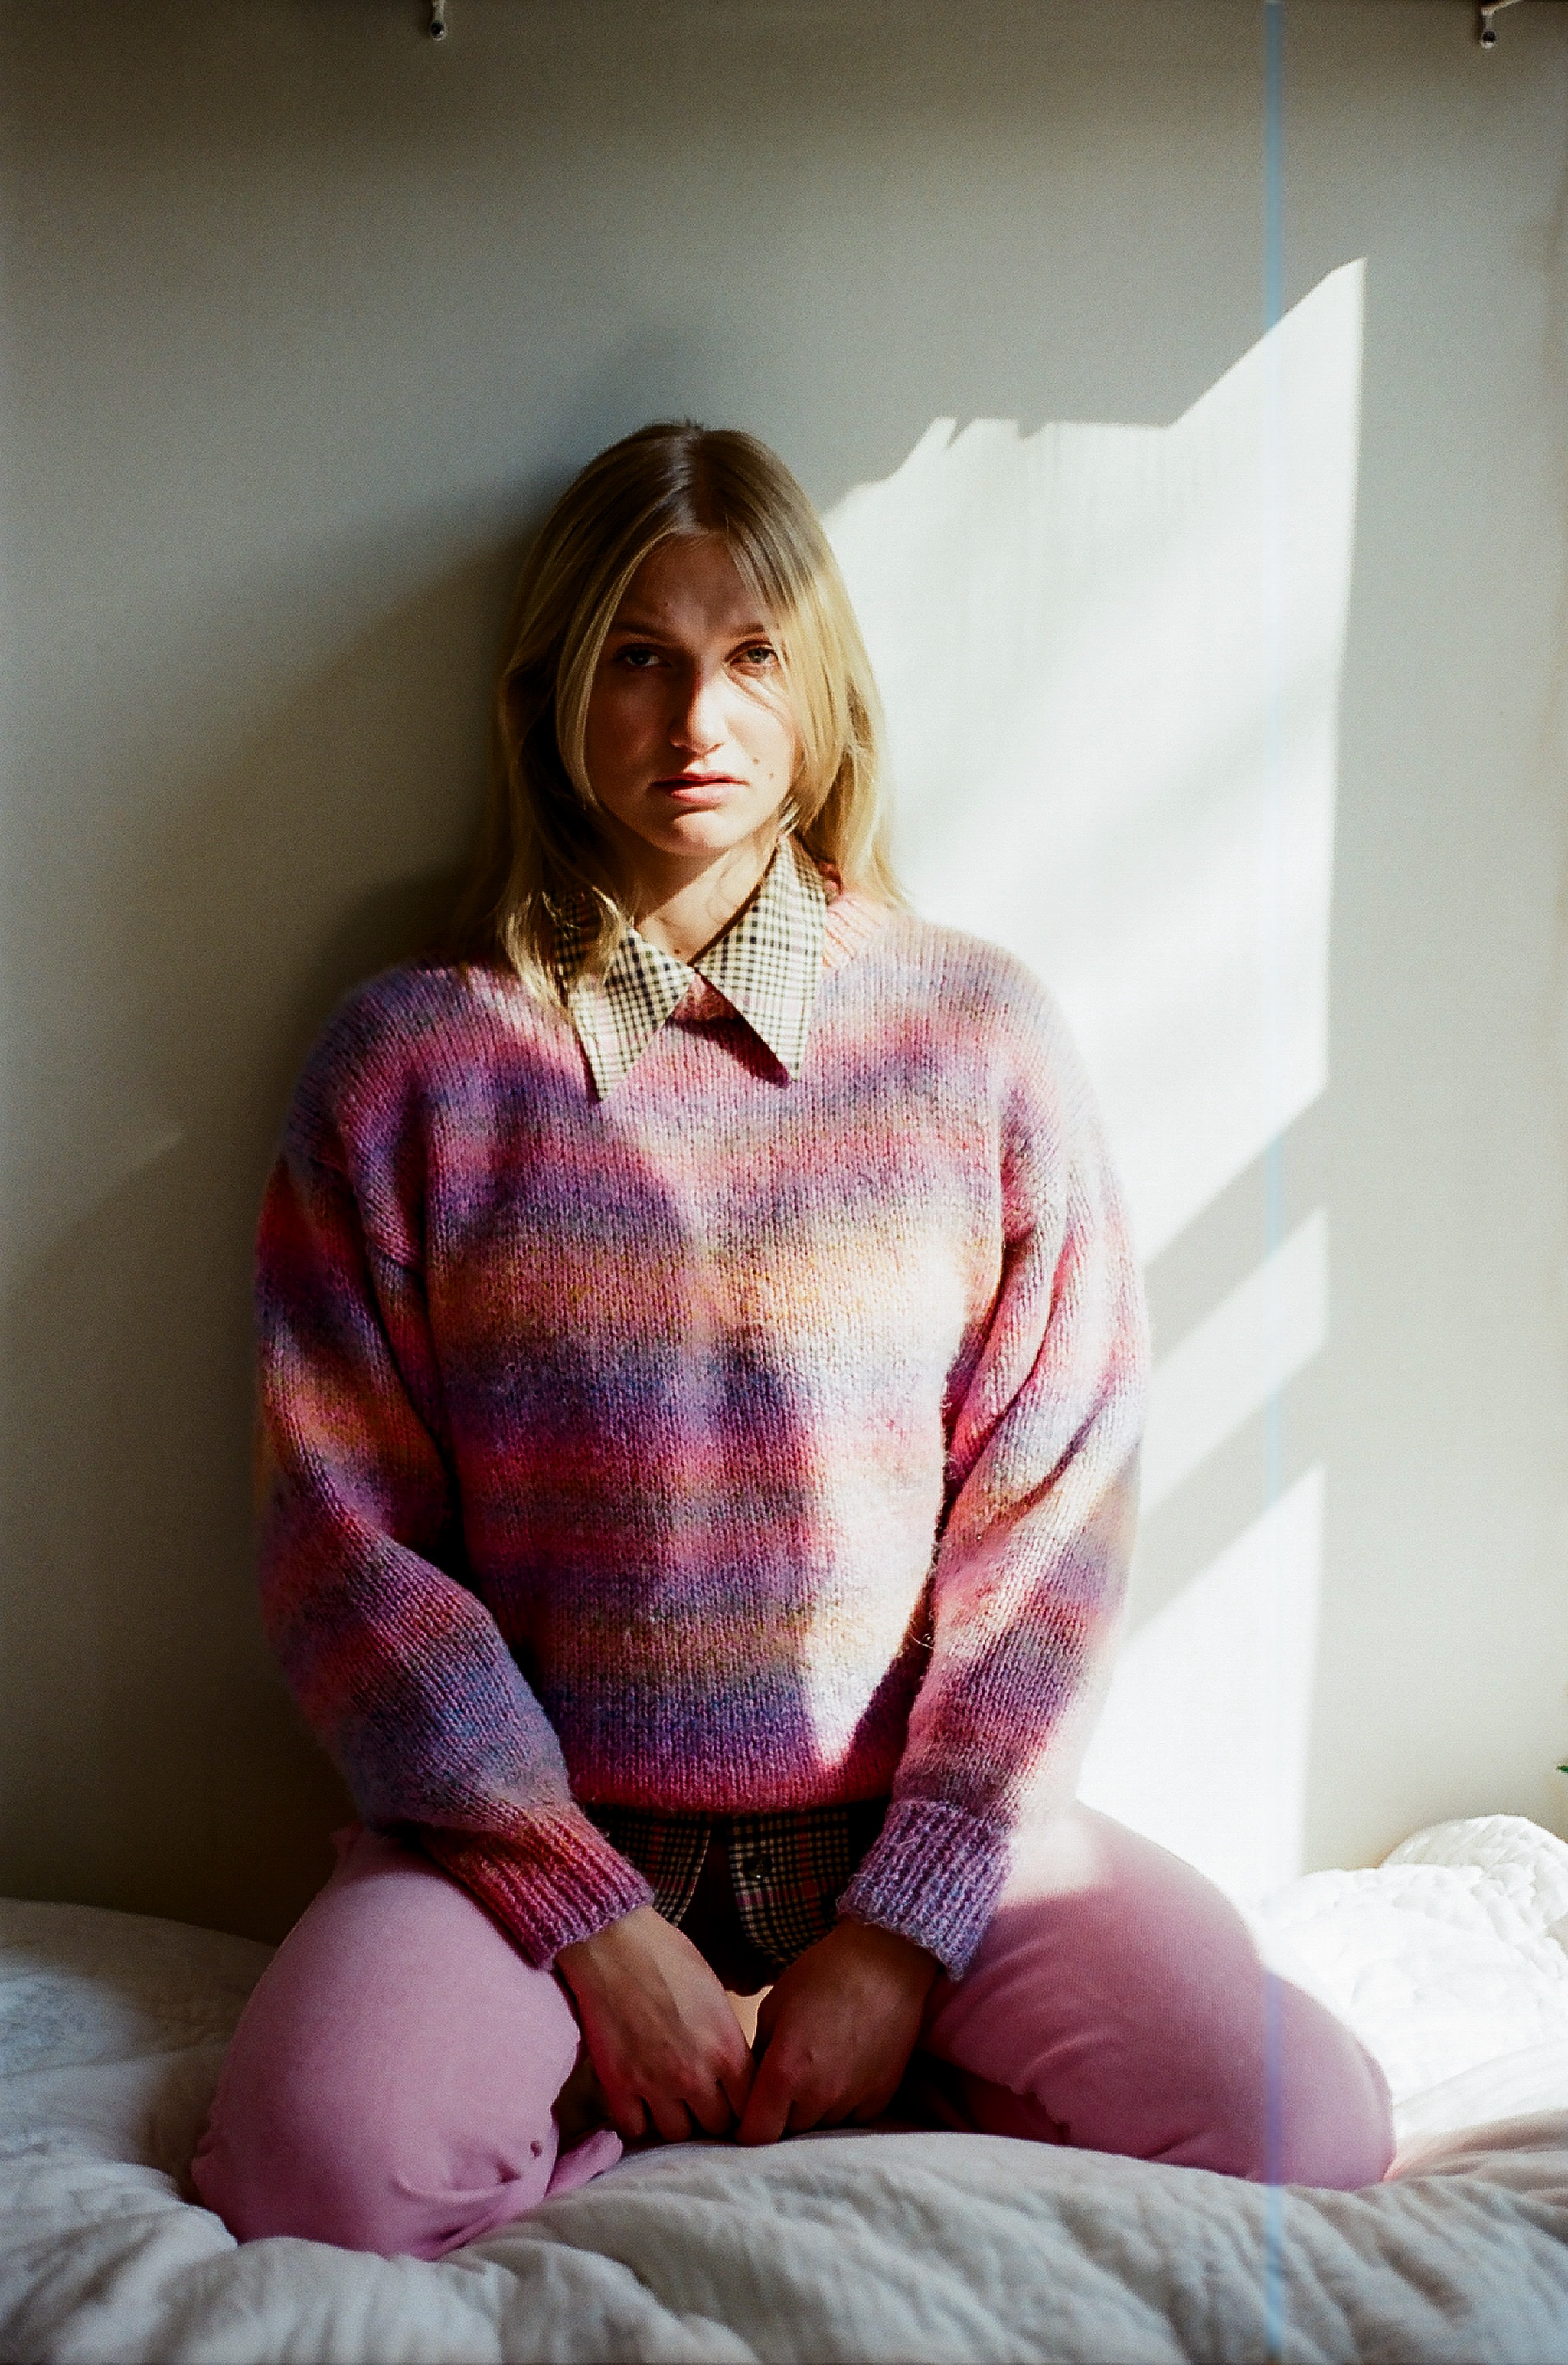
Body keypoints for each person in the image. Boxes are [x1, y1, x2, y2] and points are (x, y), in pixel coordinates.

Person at [192, 422, 1393, 2259]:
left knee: (1313, 2120)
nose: (699, 716)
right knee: (313, 2175)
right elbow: (345, 1547)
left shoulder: (974, 1039)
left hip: (911, 1842)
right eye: (638, 654)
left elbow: (1052, 1518)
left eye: (751, 654)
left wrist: (902, 1933)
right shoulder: (412, 1065)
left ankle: (820, 2063)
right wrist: (591, 1921)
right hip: (527, 1858)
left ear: (821, 691)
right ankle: (623, 2069)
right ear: (547, 692)